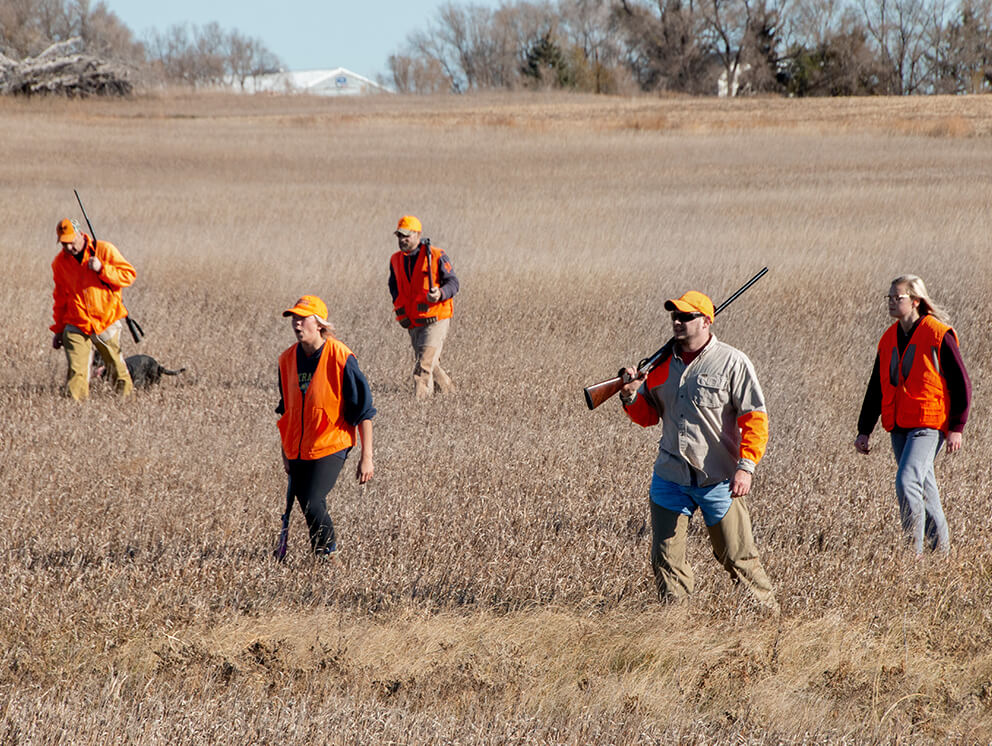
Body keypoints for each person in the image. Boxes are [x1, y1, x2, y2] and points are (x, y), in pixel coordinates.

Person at [619, 290, 777, 610]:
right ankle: (679, 626)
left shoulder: (733, 362)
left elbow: (755, 419)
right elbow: (649, 417)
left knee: (737, 556)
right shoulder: (659, 366)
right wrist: (630, 397)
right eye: (675, 316)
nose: (677, 321)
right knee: (665, 559)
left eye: (686, 316)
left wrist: (746, 467)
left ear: (706, 321)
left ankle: (767, 619)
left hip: (718, 478)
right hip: (670, 477)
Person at [855, 275, 971, 555]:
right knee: (925, 488)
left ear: (916, 301)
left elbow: (961, 382)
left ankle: (911, 554)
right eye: (890, 298)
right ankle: (941, 555)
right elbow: (876, 386)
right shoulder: (887, 339)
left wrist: (957, 426)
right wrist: (864, 429)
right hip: (899, 426)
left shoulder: (937, 333)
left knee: (907, 480)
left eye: (899, 298)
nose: (892, 303)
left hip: (929, 425)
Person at [276, 295, 375, 556]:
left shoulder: (341, 357)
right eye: (294, 319)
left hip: (332, 442)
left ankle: (329, 555)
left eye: (303, 319)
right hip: (298, 446)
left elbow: (365, 411)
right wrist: (285, 451)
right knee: (306, 502)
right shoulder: (286, 360)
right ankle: (320, 555)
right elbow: (286, 410)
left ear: (319, 324)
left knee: (312, 499)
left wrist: (367, 458)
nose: (297, 324)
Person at [50, 217, 135, 400]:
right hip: (76, 322)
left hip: (105, 321)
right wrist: (58, 330)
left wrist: (102, 268)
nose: (68, 248)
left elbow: (128, 275)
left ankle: (127, 404)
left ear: (81, 234)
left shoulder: (103, 250)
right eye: (64, 244)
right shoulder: (60, 263)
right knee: (77, 372)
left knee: (116, 368)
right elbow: (60, 298)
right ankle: (74, 411)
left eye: (71, 242)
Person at [388, 215, 459, 399]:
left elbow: (453, 282)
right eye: (399, 236)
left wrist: (440, 294)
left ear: (418, 235)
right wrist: (400, 308)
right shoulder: (396, 260)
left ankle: (420, 405)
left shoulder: (436, 255)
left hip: (436, 318)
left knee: (424, 365)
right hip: (413, 320)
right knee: (430, 363)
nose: (402, 240)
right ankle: (450, 394)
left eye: (406, 236)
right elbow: (394, 286)